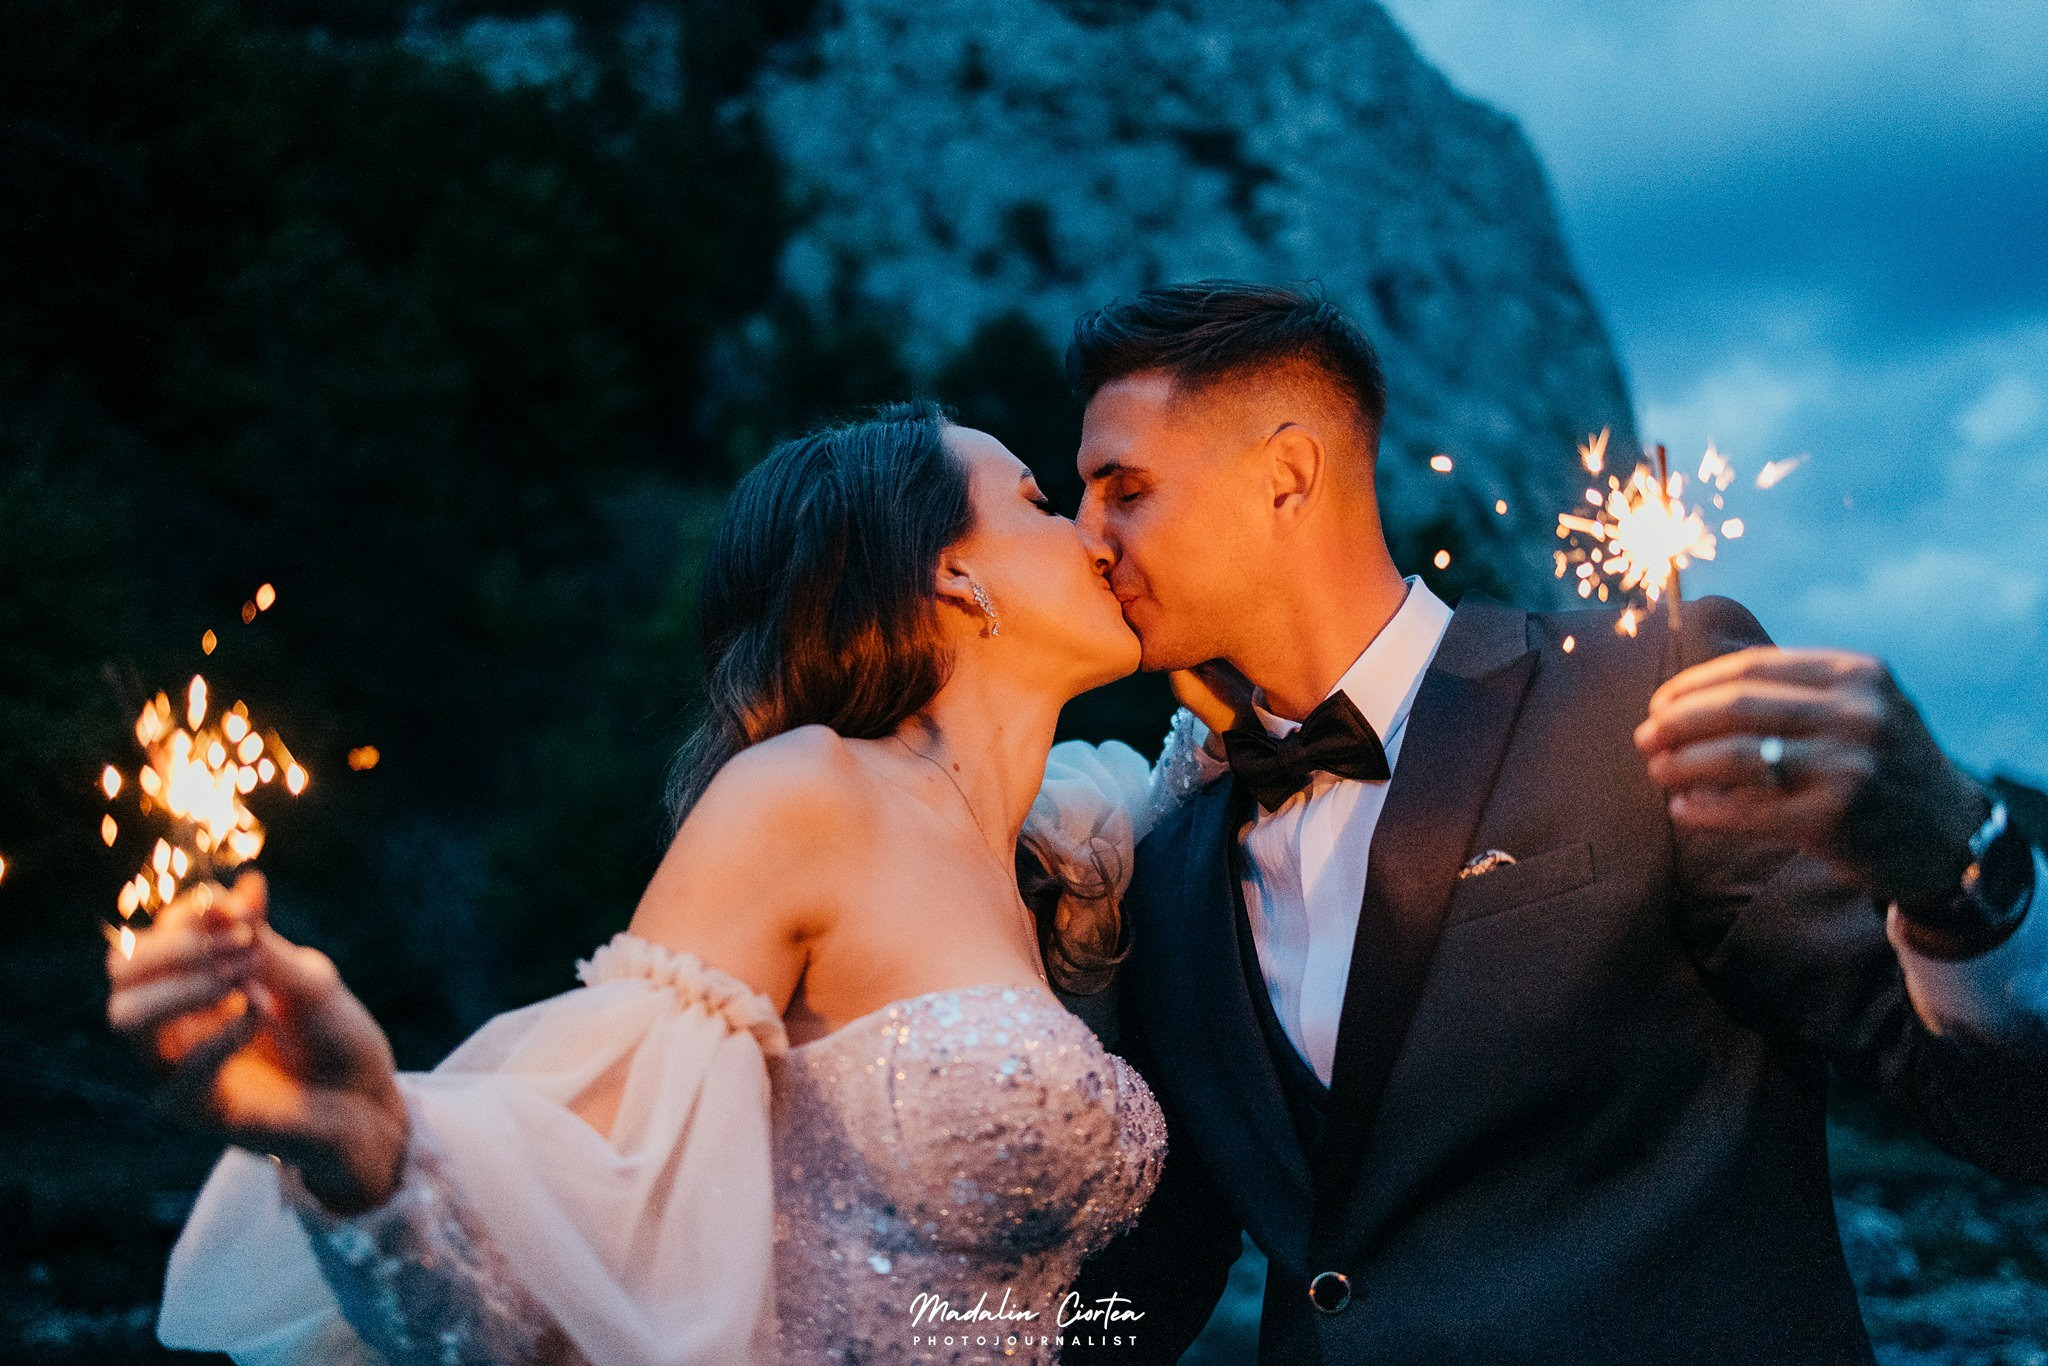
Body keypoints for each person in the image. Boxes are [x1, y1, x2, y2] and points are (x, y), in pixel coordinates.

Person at [1057, 281, 2048, 1365]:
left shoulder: (1637, 696)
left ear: (1286, 476)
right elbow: (1139, 1294)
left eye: (1123, 488)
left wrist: (1963, 867)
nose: (1085, 538)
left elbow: (2005, 1110)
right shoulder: (1166, 866)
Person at [110, 402, 1210, 1365]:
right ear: (949, 572)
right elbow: (596, 1223)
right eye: (1034, 498)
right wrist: (369, 1147)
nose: (1090, 531)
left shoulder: (1065, 843)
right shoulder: (807, 793)